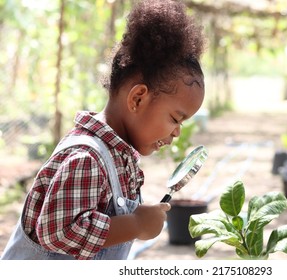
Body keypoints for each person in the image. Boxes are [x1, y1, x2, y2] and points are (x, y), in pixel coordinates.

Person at [1, 0, 205, 260]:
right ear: (138, 99)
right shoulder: (86, 158)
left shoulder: (119, 156)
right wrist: (136, 225)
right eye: (176, 119)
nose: (176, 132)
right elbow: (58, 231)